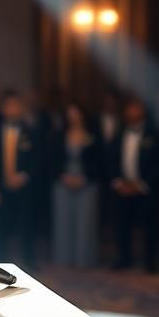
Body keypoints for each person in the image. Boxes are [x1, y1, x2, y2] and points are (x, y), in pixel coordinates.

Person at [106, 98, 159, 273]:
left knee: (149, 226)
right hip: (122, 187)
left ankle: (150, 262)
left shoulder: (154, 134)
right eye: (129, 109)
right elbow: (110, 159)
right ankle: (124, 258)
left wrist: (141, 184)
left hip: (144, 188)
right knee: (122, 226)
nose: (132, 113)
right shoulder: (119, 133)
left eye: (135, 108)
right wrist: (118, 182)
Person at [0, 90, 39, 266]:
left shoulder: (30, 132)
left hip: (23, 187)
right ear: (2, 109)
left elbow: (37, 159)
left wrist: (24, 176)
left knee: (27, 227)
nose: (13, 109)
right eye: (9, 106)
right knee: (0, 228)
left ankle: (29, 262)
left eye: (16, 105)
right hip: (0, 188)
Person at [51, 103, 100, 267]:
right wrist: (62, 176)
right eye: (70, 113)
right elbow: (52, 158)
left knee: (85, 223)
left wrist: (85, 178)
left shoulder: (93, 135)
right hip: (63, 182)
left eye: (76, 113)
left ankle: (84, 261)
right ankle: (64, 260)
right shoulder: (59, 135)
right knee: (63, 221)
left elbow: (100, 160)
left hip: (87, 183)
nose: (73, 117)